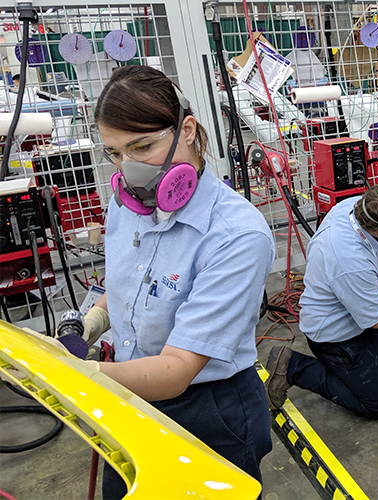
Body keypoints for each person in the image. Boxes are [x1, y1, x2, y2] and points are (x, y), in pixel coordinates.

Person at [83, 65, 275, 498]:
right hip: (128, 394)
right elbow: (126, 287)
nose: (128, 167)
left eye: (143, 145)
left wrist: (83, 375)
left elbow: (175, 372)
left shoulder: (236, 235)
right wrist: (92, 322)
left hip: (209, 409)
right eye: (115, 153)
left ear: (187, 130)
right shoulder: (123, 208)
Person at [264, 185, 378, 420]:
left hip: (357, 305)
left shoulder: (356, 208)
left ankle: (369, 365)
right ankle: (293, 366)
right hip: (335, 335)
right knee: (376, 406)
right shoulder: (349, 261)